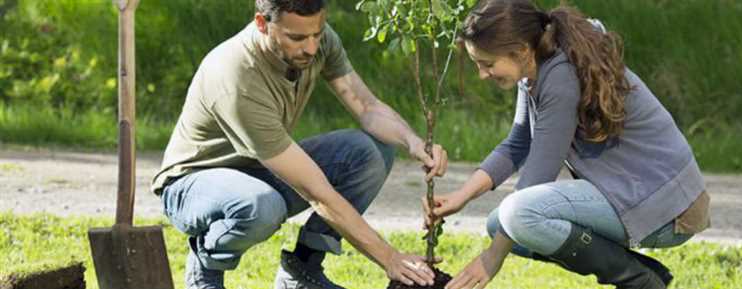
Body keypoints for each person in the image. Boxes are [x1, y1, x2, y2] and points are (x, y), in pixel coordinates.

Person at [151, 1, 450, 288]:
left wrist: (413, 142)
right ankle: (205, 266)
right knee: (261, 206)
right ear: (262, 24)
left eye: (316, 34)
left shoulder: (317, 39)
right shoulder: (236, 77)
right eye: (296, 37)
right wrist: (389, 257)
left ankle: (302, 270)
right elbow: (316, 192)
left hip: (260, 170)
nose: (310, 47)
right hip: (192, 185)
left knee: (369, 153)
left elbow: (367, 106)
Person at [423, 1, 711, 288]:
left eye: (487, 64)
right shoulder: (536, 67)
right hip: (639, 196)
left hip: (669, 210)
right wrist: (463, 195)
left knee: (518, 215)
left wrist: (491, 259)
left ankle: (638, 280)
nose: (482, 74)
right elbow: (517, 144)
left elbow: (537, 177)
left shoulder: (561, 76)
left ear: (521, 51)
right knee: (500, 223)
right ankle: (644, 275)